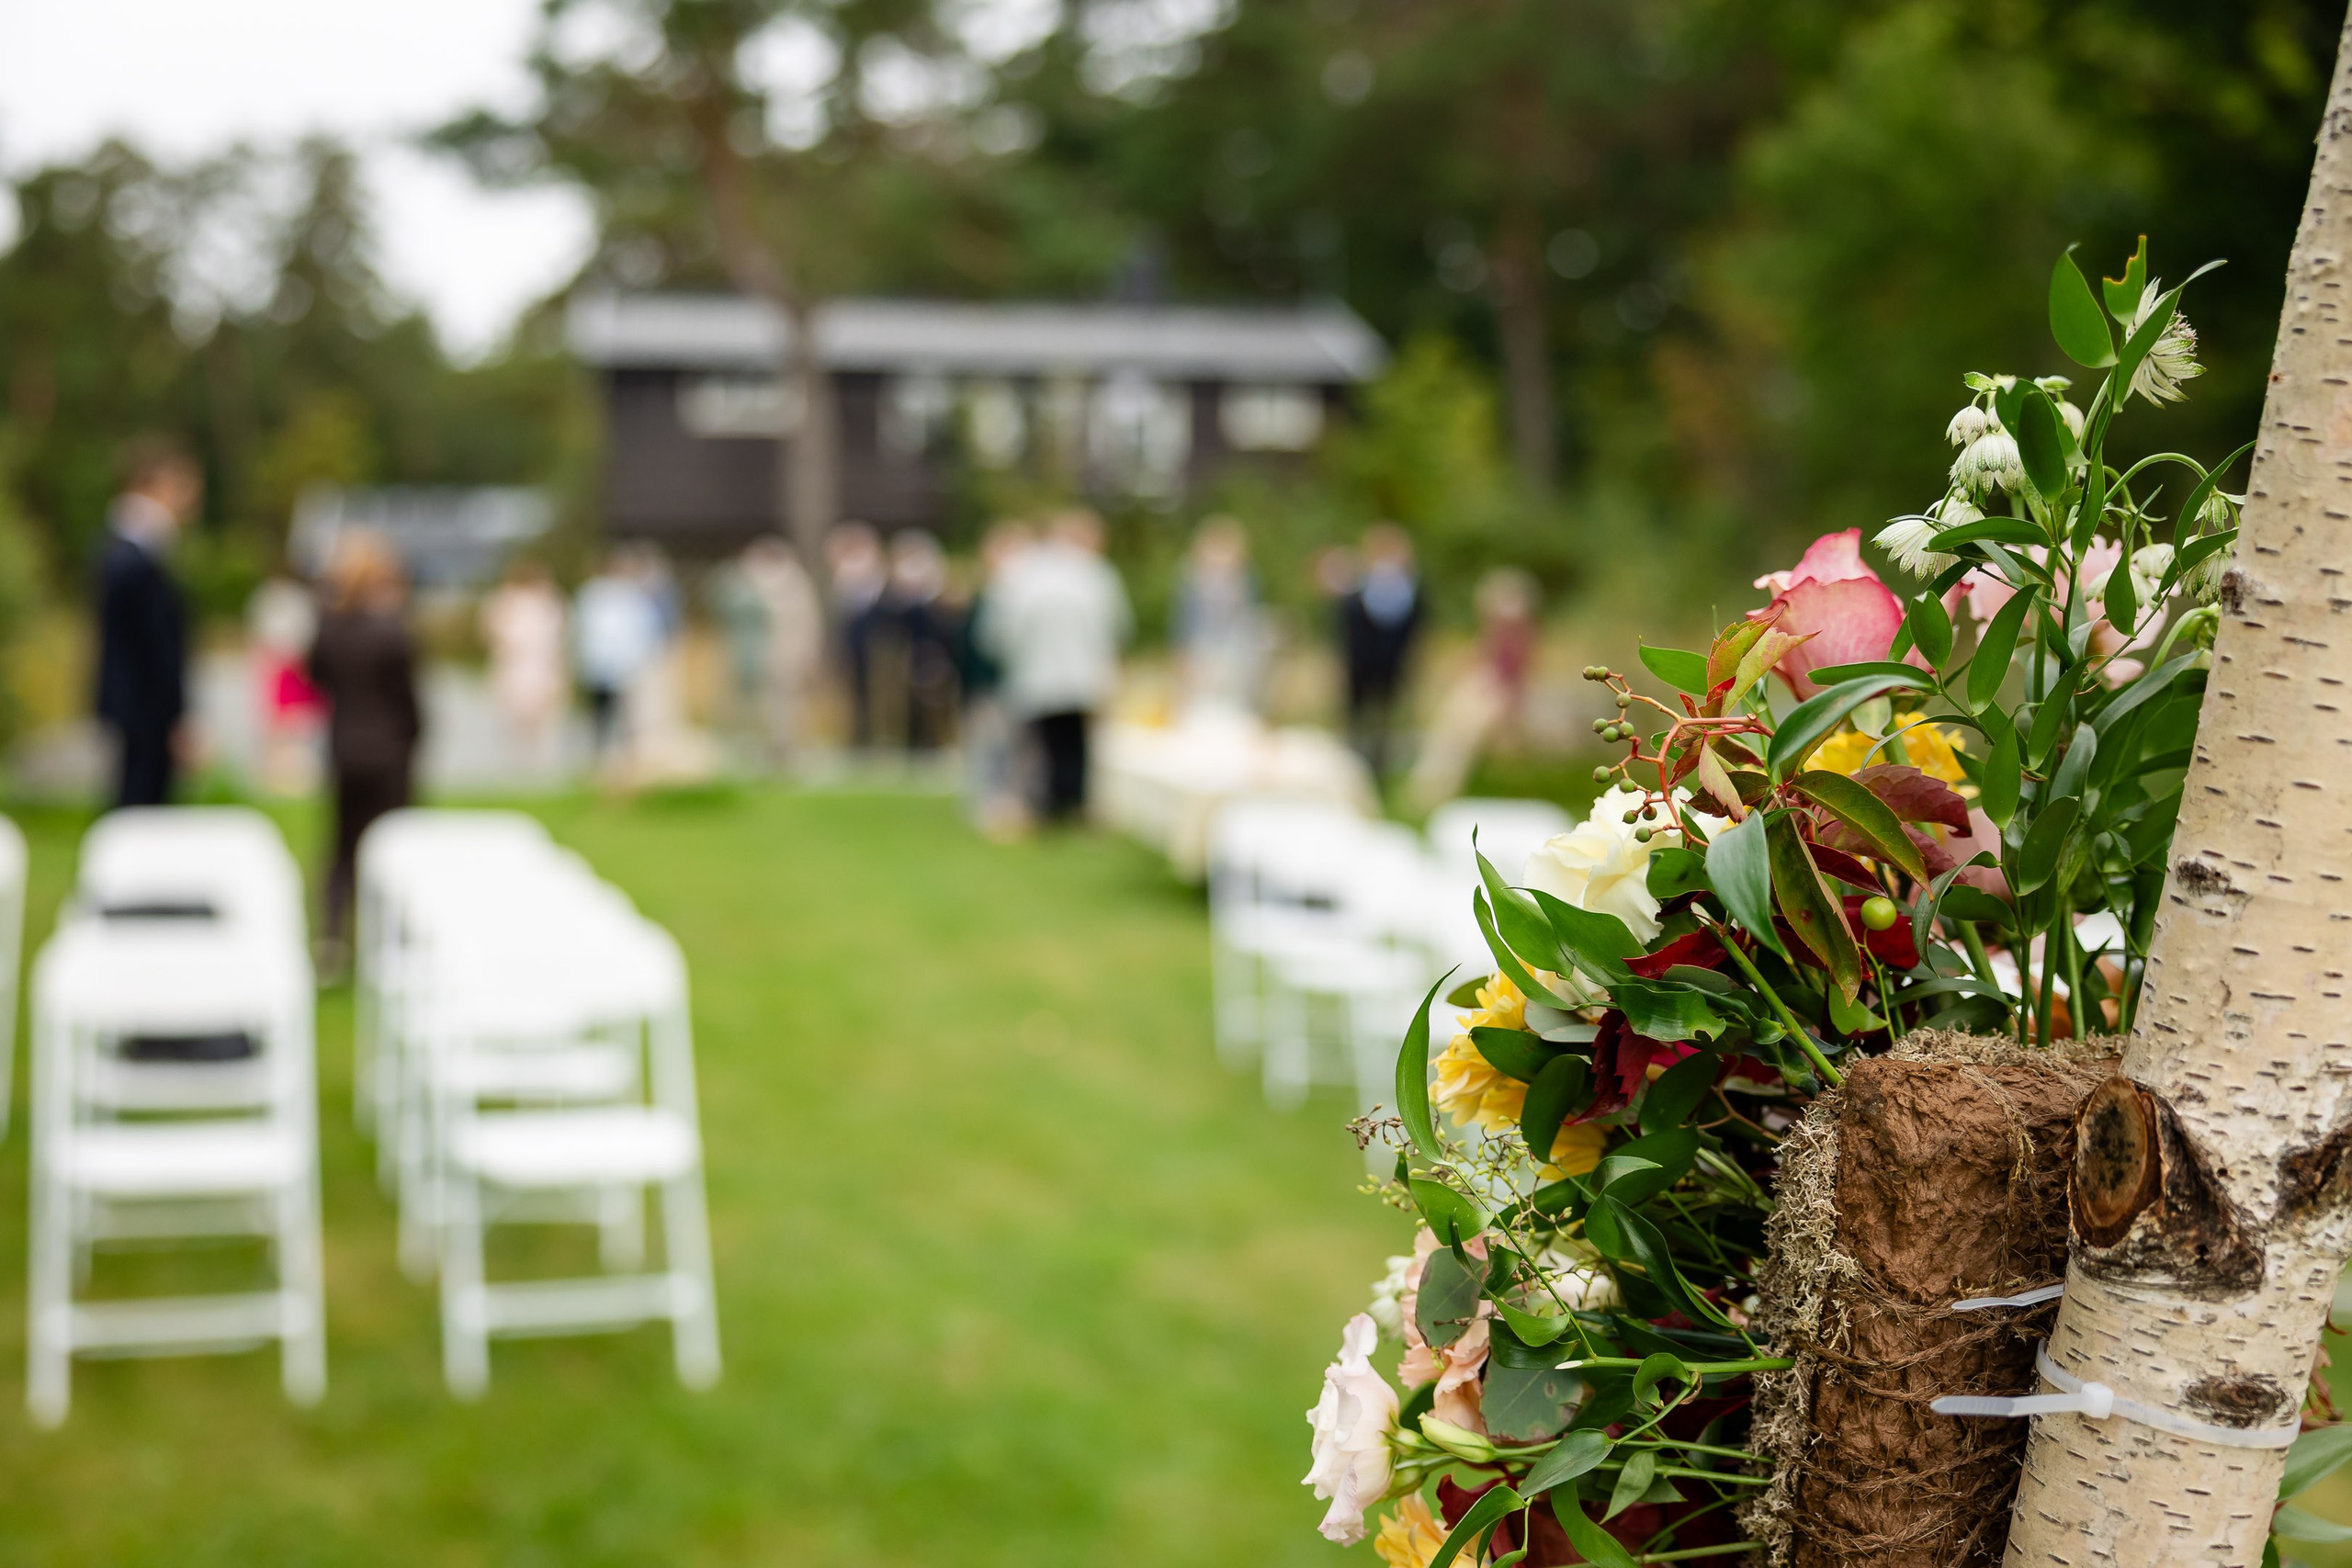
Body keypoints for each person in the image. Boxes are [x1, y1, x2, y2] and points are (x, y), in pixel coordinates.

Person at [308, 529, 421, 957]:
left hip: (345, 747)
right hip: (389, 750)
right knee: (395, 847)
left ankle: (333, 935)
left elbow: (316, 677)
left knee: (341, 847)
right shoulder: (392, 632)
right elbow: (409, 699)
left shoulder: (329, 628)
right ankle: (391, 939)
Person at [980, 508, 1130, 824]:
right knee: (1074, 745)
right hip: (1080, 678)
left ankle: (1043, 804)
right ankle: (1072, 804)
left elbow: (1001, 632)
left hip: (1036, 677)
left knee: (1042, 746)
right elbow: (1116, 627)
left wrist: (1011, 662)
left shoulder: (1023, 574)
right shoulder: (1095, 575)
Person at [94, 439, 199, 807]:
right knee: (141, 801)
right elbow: (156, 647)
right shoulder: (135, 556)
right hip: (144, 707)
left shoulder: (131, 551)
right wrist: (177, 714)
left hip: (137, 704)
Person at [959, 520, 1034, 835]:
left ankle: (1008, 802)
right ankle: (988, 802)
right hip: (987, 683)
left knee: (1011, 746)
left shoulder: (1019, 592)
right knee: (990, 744)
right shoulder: (990, 592)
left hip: (1015, 683)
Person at [1338, 523, 1423, 780]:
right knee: (1357, 720)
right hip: (1360, 666)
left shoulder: (1412, 593)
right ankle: (1353, 766)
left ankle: (1380, 767)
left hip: (1393, 666)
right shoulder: (1356, 591)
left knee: (1385, 721)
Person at [480, 558, 570, 779]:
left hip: (542, 665)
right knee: (515, 716)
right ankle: (518, 764)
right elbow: (492, 632)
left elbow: (559, 636)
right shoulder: (504, 602)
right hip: (515, 666)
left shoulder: (552, 602)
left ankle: (543, 765)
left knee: (545, 716)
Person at [573, 547, 663, 762]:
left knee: (627, 715)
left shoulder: (632, 596)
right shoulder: (593, 594)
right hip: (600, 663)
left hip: (626, 664)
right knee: (600, 714)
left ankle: (627, 757)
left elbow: (645, 630)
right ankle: (599, 755)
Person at [1172, 515, 1265, 716]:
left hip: (1235, 653)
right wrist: (1183, 660)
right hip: (1201, 651)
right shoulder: (1190, 581)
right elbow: (1183, 624)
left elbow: (1249, 620)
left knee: (1233, 710)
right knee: (1201, 708)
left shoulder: (1246, 581)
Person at [741, 536, 822, 764]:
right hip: (759, 653)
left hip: (789, 651)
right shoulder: (752, 584)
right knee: (763, 703)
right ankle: (767, 745)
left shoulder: (796, 583)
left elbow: (809, 621)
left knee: (791, 702)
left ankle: (789, 746)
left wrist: (808, 652)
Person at [247, 574, 323, 797]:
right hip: (282, 673)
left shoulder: (297, 604)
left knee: (297, 732)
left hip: (293, 675)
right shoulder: (275, 603)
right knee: (281, 732)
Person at [827, 523, 888, 750]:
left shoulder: (877, 580)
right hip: (851, 648)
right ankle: (858, 737)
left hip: (876, 648)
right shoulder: (841, 584)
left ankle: (878, 736)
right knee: (853, 696)